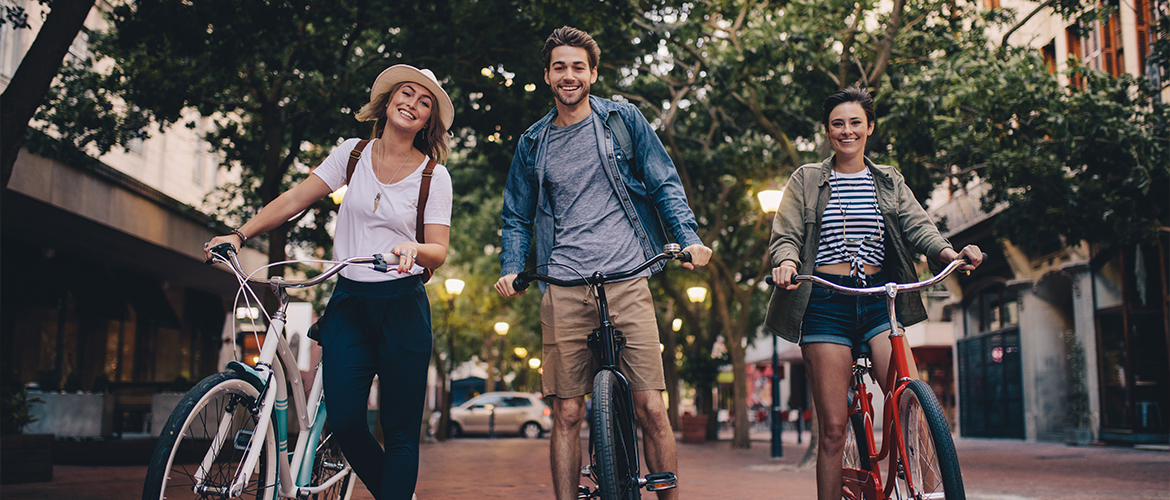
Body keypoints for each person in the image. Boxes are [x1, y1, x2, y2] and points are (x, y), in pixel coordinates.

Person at [203, 64, 454, 500]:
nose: (412, 104)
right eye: (407, 94)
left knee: (398, 432)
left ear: (429, 119)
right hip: (349, 302)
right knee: (346, 421)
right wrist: (240, 234)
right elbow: (297, 197)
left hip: (403, 307)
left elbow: (439, 249)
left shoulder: (434, 176)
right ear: (389, 100)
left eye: (425, 101)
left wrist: (412, 248)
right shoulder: (353, 154)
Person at [493, 26, 712, 500]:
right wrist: (513, 266)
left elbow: (663, 182)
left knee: (651, 407)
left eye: (577, 66)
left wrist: (687, 239)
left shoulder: (622, 120)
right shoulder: (533, 144)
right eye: (559, 67)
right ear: (547, 76)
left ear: (592, 73)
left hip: (628, 278)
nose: (568, 75)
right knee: (569, 412)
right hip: (564, 284)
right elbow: (516, 214)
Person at [765, 87, 982, 500]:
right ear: (828, 131)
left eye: (855, 122)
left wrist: (948, 253)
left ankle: (919, 485)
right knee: (832, 429)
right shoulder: (807, 179)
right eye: (838, 124)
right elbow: (787, 233)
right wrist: (788, 263)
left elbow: (919, 226)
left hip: (881, 301)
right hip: (826, 304)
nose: (847, 131)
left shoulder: (888, 179)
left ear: (870, 127)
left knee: (908, 404)